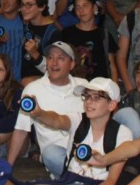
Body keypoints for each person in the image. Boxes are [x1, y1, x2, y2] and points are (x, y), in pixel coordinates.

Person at [24, 77, 131, 185]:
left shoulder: (122, 133)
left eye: (96, 98)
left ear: (112, 105)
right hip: (73, 184)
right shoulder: (78, 119)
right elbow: (57, 120)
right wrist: (39, 113)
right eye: (87, 97)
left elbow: (112, 180)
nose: (89, 102)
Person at [7, 42, 87, 174]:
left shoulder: (84, 86)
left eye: (61, 58)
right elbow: (21, 130)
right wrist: (7, 168)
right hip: (58, 155)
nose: (54, 63)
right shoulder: (33, 89)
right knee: (51, 153)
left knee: (124, 115)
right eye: (50, 57)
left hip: (88, 150)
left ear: (72, 64)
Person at [61, 0, 116, 80]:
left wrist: (113, 86)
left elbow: (112, 66)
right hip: (74, 85)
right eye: (77, 7)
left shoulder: (104, 34)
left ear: (94, 8)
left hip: (100, 86)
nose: (81, 10)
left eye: (85, 5)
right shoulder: (66, 34)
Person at [19, 0, 60, 84]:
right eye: (22, 5)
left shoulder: (53, 32)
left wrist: (35, 54)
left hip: (44, 86)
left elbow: (55, 69)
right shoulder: (25, 26)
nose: (24, 9)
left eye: (29, 5)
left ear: (41, 7)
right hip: (24, 83)